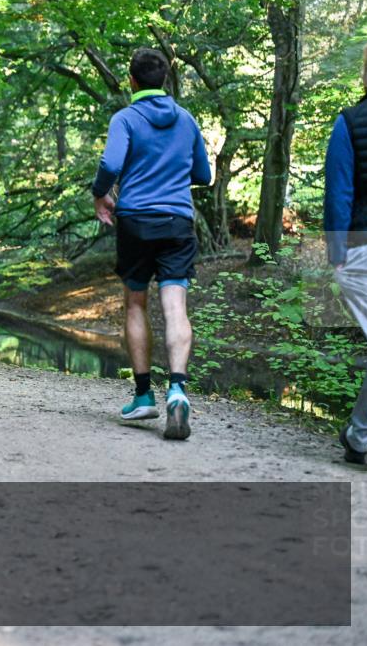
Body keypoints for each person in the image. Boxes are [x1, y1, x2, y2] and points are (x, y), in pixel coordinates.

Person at [91, 48, 211, 440]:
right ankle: (177, 389)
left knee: (136, 302)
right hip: (178, 221)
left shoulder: (125, 118)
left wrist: (100, 194)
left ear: (132, 81)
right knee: (175, 304)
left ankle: (143, 395)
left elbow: (110, 165)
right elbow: (203, 174)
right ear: (165, 80)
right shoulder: (187, 120)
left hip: (137, 222)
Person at [325, 41, 367, 466]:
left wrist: (336, 253)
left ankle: (359, 436)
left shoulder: (349, 122)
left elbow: (338, 192)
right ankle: (358, 437)